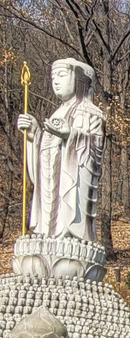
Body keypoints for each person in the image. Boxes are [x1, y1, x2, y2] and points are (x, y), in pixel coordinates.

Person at [17, 58, 104, 242]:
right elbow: (46, 155)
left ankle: (70, 232)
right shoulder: (57, 113)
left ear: (80, 79)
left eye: (62, 75)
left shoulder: (90, 112)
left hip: (72, 192)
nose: (55, 81)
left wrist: (71, 135)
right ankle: (47, 230)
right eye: (53, 76)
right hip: (50, 188)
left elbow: (95, 149)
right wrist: (34, 134)